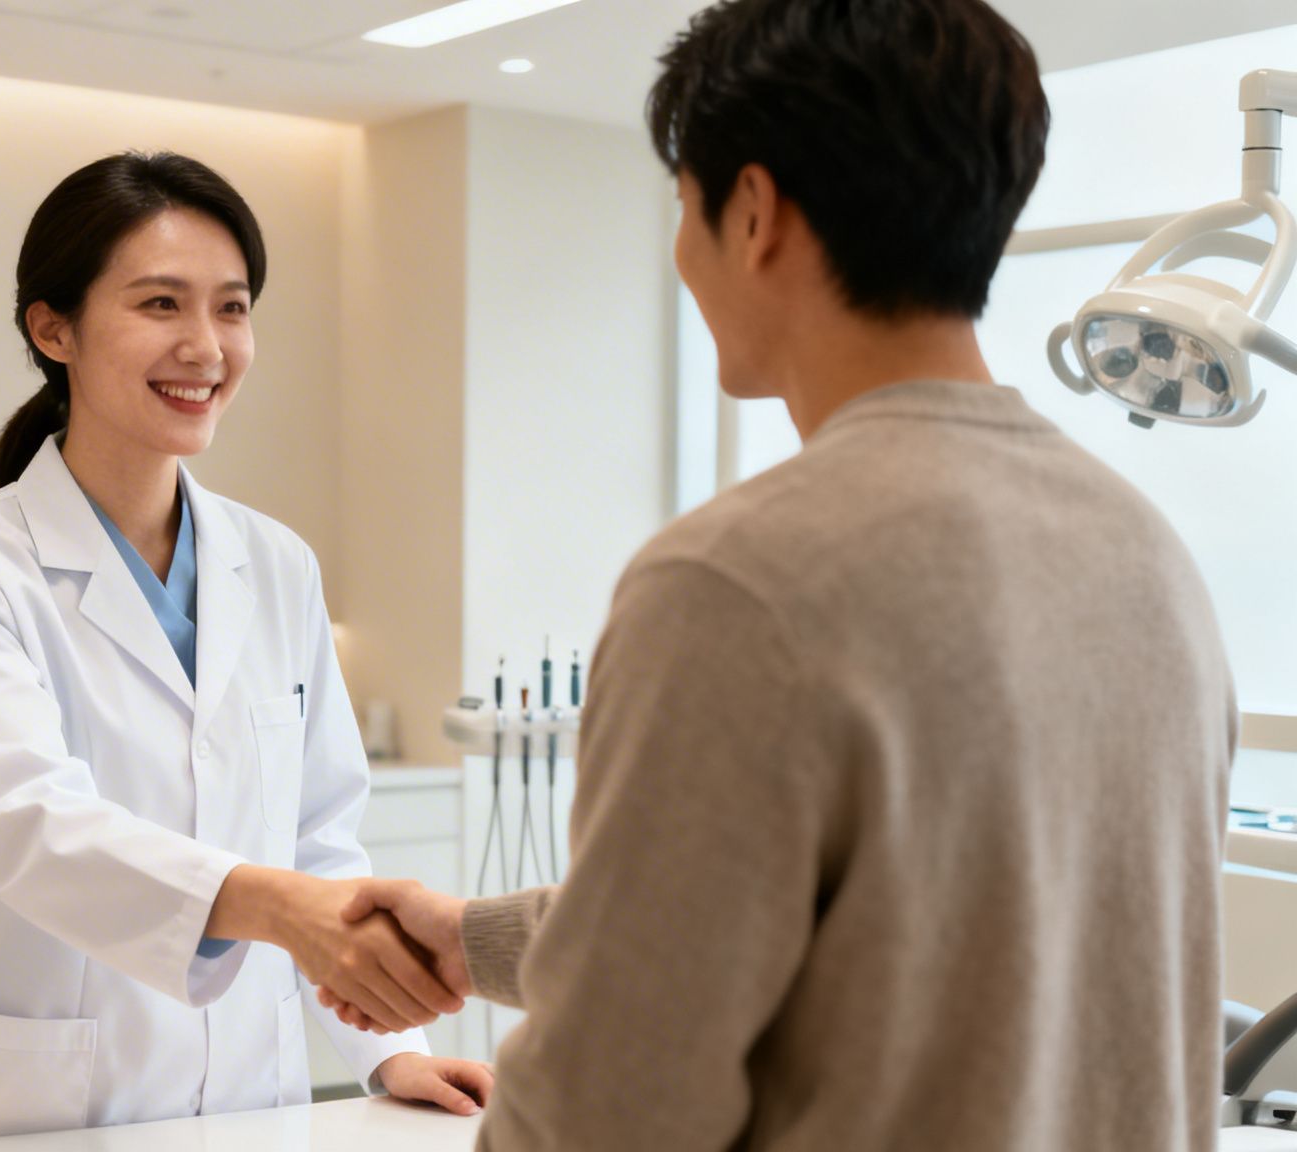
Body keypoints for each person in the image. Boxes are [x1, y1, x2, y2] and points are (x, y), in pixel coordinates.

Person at [322, 1, 1236, 1149]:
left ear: (750, 212)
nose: (680, 253)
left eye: (681, 208)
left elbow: (608, 1108)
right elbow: (906, 912)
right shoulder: (1146, 559)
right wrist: (472, 938)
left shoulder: (733, 581)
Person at [0, 151, 492, 1145]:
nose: (205, 347)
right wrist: (280, 906)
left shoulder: (276, 563)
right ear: (53, 328)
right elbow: (25, 824)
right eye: (160, 304)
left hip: (252, 1095)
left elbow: (318, 834)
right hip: (41, 1098)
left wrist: (389, 1051)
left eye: (232, 308)